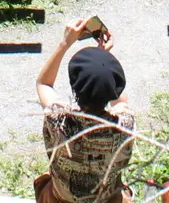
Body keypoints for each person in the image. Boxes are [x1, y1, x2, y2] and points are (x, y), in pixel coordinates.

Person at [35, 17, 136, 203]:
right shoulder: (125, 125)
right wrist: (104, 61)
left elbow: (44, 84)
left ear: (75, 88)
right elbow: (120, 101)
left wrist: (65, 42)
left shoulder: (59, 121)